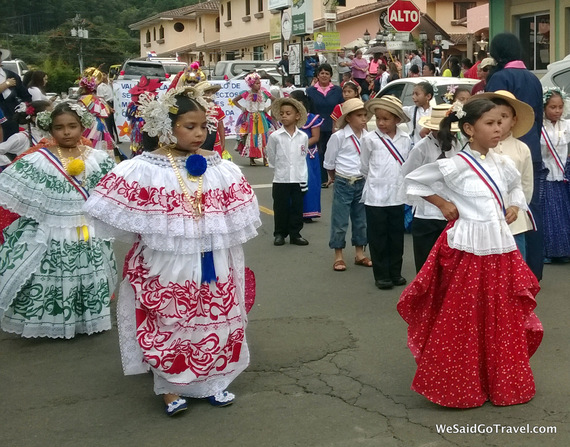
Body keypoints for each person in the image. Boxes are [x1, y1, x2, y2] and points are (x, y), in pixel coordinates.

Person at [83, 85, 261, 416]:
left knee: (213, 317)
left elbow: (236, 217)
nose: (199, 134)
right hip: (167, 262)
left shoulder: (220, 166)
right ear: (167, 127)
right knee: (171, 320)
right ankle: (168, 386)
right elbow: (111, 208)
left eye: (203, 126)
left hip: (212, 259)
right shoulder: (146, 168)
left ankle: (213, 380)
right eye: (189, 126)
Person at [398, 97, 543, 408]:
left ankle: (501, 381)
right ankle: (461, 384)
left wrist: (515, 205)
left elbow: (516, 187)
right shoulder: (455, 165)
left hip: (500, 247)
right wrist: (442, 203)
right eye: (490, 123)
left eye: (500, 122)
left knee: (501, 318)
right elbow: (411, 180)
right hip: (468, 249)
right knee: (465, 318)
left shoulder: (502, 163)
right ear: (468, 128)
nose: (498, 128)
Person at [0, 102, 117, 338]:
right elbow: (12, 182)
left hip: (87, 229)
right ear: (50, 130)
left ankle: (85, 320)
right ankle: (52, 321)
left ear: (82, 126)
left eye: (72, 126)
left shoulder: (98, 158)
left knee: (87, 272)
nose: (66, 132)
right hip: (54, 229)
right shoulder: (39, 159)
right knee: (56, 274)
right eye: (59, 127)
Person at [485, 32, 545, 280]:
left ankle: (507, 273)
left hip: (503, 152)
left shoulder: (500, 77)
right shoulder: (533, 78)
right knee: (530, 212)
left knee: (504, 212)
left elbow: (488, 116)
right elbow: (537, 118)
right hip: (532, 152)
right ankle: (532, 271)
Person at [401, 104, 462, 272]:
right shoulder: (421, 147)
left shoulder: (457, 145)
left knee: (448, 266)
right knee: (426, 265)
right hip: (427, 213)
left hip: (452, 212)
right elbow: (408, 176)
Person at [361, 96, 411, 289]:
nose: (381, 123)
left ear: (397, 119)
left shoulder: (405, 139)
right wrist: (376, 181)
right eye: (379, 118)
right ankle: (381, 274)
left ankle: (395, 272)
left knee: (396, 236)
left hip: (397, 195)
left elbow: (407, 164)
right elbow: (364, 167)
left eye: (386, 119)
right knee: (378, 236)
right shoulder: (370, 139)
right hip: (375, 196)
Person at [478, 90, 535, 260]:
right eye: (492, 119)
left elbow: (526, 184)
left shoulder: (522, 149)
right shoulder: (480, 147)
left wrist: (516, 207)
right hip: (485, 220)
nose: (499, 123)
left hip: (514, 222)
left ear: (514, 120)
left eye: (504, 117)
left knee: (516, 267)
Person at [323, 98, 372, 272]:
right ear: (349, 118)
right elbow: (329, 162)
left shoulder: (368, 137)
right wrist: (334, 178)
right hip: (343, 180)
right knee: (340, 220)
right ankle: (338, 256)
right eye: (359, 116)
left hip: (362, 181)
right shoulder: (338, 137)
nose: (364, 119)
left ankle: (360, 253)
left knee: (361, 220)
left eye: (365, 115)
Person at [267, 97, 310, 246]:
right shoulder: (275, 136)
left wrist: (303, 175)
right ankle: (279, 233)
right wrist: (279, 168)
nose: (284, 116)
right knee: (280, 207)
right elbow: (271, 155)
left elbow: (302, 156)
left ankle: (295, 234)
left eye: (288, 113)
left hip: (298, 177)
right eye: (282, 113)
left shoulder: (303, 136)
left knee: (297, 207)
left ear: (297, 116)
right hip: (281, 178)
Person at [539, 88, 570, 263]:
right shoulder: (539, 126)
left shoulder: (566, 125)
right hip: (547, 175)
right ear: (544, 107)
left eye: (560, 107)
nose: (557, 111)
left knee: (563, 214)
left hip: (562, 174)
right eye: (552, 107)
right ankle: (548, 251)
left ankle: (563, 250)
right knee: (548, 215)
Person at [306, 63, 344, 187]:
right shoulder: (310, 90)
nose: (324, 76)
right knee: (320, 153)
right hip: (317, 126)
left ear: (331, 76)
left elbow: (341, 108)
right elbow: (309, 109)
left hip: (334, 126)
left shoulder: (337, 90)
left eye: (327, 73)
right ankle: (322, 179)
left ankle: (336, 178)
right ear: (317, 75)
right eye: (321, 73)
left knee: (335, 153)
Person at [290, 90, 323, 221]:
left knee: (309, 182)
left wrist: (300, 146)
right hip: (292, 154)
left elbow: (315, 137)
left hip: (308, 155)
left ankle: (309, 211)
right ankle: (294, 210)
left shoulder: (311, 118)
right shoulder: (288, 118)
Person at [235, 72, 275, 166]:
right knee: (251, 137)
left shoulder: (264, 93)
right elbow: (234, 100)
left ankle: (265, 159)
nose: (259, 85)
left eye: (259, 83)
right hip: (250, 118)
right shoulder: (246, 93)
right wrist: (242, 108)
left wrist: (267, 109)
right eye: (256, 83)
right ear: (251, 84)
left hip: (261, 117)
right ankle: (251, 158)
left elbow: (275, 100)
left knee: (264, 136)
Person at [0, 100, 51, 169]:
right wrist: (10, 165)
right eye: (49, 114)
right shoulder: (21, 137)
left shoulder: (52, 136)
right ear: (34, 118)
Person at [78, 69, 114, 154]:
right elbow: (105, 111)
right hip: (99, 122)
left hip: (89, 123)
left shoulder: (81, 99)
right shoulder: (96, 99)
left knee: (90, 141)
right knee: (100, 142)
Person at [126, 76, 163, 157]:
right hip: (137, 131)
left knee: (150, 149)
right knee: (138, 147)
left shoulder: (153, 105)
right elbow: (131, 119)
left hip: (149, 130)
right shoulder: (132, 106)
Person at [0, 50, 32, 140]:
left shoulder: (11, 75)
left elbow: (26, 96)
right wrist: (6, 84)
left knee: (11, 145)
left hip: (11, 118)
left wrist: (24, 109)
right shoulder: (9, 80)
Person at [403, 81, 433, 147]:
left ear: (428, 96)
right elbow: (396, 110)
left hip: (431, 148)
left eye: (417, 94)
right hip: (416, 148)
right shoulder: (410, 110)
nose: (413, 97)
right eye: (413, 94)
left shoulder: (434, 112)